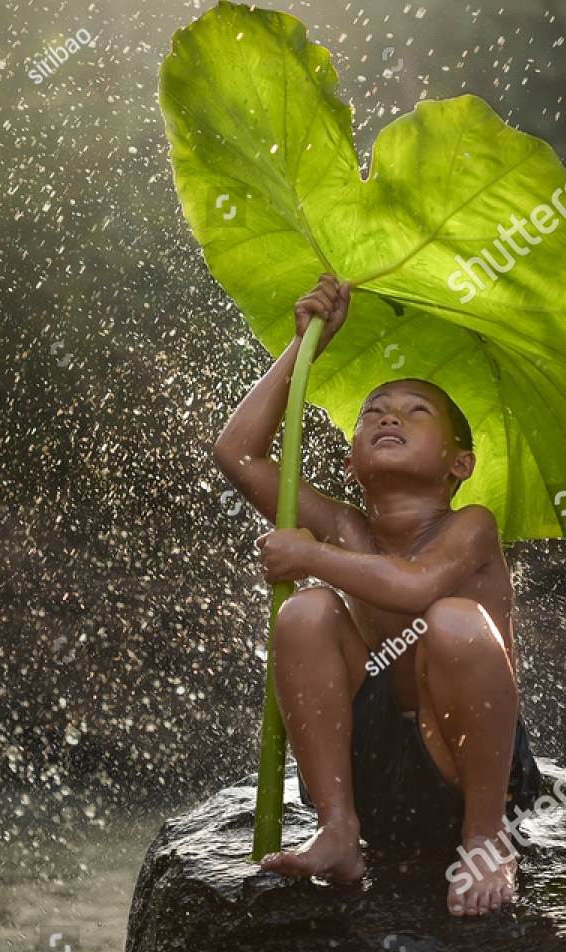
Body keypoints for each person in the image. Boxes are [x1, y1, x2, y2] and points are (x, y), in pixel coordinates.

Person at [212, 273, 541, 917]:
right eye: (373, 412)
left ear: (460, 464)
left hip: (464, 768)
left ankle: (484, 837)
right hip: (377, 764)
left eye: (416, 411)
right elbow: (237, 454)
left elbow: (413, 585)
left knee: (453, 620)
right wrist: (306, 344)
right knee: (307, 609)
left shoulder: (470, 525)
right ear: (350, 461)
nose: (389, 414)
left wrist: (309, 554)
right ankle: (338, 828)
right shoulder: (343, 526)